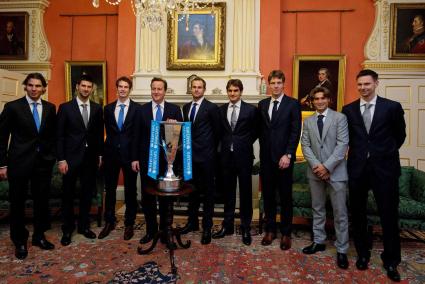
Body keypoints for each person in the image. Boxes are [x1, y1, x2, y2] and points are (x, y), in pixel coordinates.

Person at [342, 69, 406, 282]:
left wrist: (381, 153)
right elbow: (348, 139)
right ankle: (362, 254)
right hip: (358, 170)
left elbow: (400, 136)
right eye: (359, 84)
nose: (363, 88)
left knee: (388, 215)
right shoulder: (348, 110)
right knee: (358, 214)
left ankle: (391, 260)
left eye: (367, 84)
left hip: (385, 170)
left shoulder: (391, 107)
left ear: (376, 83)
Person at [0, 73, 56, 259]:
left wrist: (52, 155)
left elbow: (51, 135)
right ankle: (19, 240)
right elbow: (2, 138)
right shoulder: (13, 107)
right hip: (19, 162)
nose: (34, 89)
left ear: (43, 88)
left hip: (43, 164)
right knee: (17, 203)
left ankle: (38, 236)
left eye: (38, 86)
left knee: (42, 201)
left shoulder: (50, 108)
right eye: (31, 85)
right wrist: (2, 164)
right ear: (25, 87)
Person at [300, 87, 349, 269]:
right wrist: (317, 166)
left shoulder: (340, 118)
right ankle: (319, 241)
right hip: (315, 172)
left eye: (323, 98)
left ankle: (342, 249)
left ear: (329, 100)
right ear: (312, 101)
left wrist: (327, 167)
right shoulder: (309, 120)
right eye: (316, 99)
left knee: (340, 213)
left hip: (336, 173)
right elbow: (305, 145)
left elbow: (342, 145)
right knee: (318, 209)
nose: (319, 101)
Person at [131, 77, 183, 245]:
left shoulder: (174, 110)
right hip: (147, 161)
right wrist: (135, 158)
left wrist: (174, 127)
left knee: (166, 199)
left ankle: (166, 231)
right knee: (148, 197)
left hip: (167, 162)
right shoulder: (141, 110)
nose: (156, 92)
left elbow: (179, 138)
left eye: (159, 89)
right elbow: (136, 135)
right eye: (153, 88)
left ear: (165, 91)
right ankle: (151, 231)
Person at [57, 74, 104, 246]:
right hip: (70, 159)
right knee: (68, 195)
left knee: (87, 194)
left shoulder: (98, 108)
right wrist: (61, 159)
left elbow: (99, 134)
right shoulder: (65, 108)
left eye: (89, 86)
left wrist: (99, 155)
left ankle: (84, 226)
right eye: (83, 86)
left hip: (90, 159)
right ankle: (67, 229)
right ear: (77, 87)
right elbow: (60, 136)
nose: (86, 89)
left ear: (92, 89)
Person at [258, 70, 301, 250]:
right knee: (268, 196)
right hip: (266, 159)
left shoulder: (292, 104)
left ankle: (285, 233)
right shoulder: (262, 104)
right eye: (272, 83)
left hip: (284, 159)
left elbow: (295, 131)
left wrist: (289, 154)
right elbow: (259, 129)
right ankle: (270, 230)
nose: (275, 86)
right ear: (269, 84)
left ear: (284, 84)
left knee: (285, 197)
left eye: (278, 83)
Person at [212, 79, 259, 246]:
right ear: (227, 92)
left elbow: (255, 131)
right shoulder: (221, 110)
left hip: (244, 156)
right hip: (226, 157)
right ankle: (228, 225)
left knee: (245, 193)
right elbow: (218, 132)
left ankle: (245, 227)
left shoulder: (251, 110)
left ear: (241, 91)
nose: (232, 93)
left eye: (235, 90)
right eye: (230, 90)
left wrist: (242, 143)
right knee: (228, 193)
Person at [98, 76, 140, 240]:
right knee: (110, 189)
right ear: (117, 89)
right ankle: (110, 221)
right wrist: (102, 154)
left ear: (130, 89)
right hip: (111, 155)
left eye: (125, 87)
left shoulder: (137, 109)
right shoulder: (108, 109)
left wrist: (136, 157)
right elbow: (105, 133)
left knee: (130, 190)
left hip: (130, 156)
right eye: (120, 87)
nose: (123, 89)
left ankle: (129, 223)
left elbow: (137, 134)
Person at [180, 76, 220, 245]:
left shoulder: (211, 108)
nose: (196, 89)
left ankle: (206, 228)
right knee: (191, 191)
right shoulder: (186, 107)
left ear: (204, 89)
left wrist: (213, 154)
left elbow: (218, 133)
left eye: (199, 87)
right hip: (190, 157)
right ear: (191, 89)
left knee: (208, 194)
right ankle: (192, 223)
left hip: (207, 158)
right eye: (194, 87)